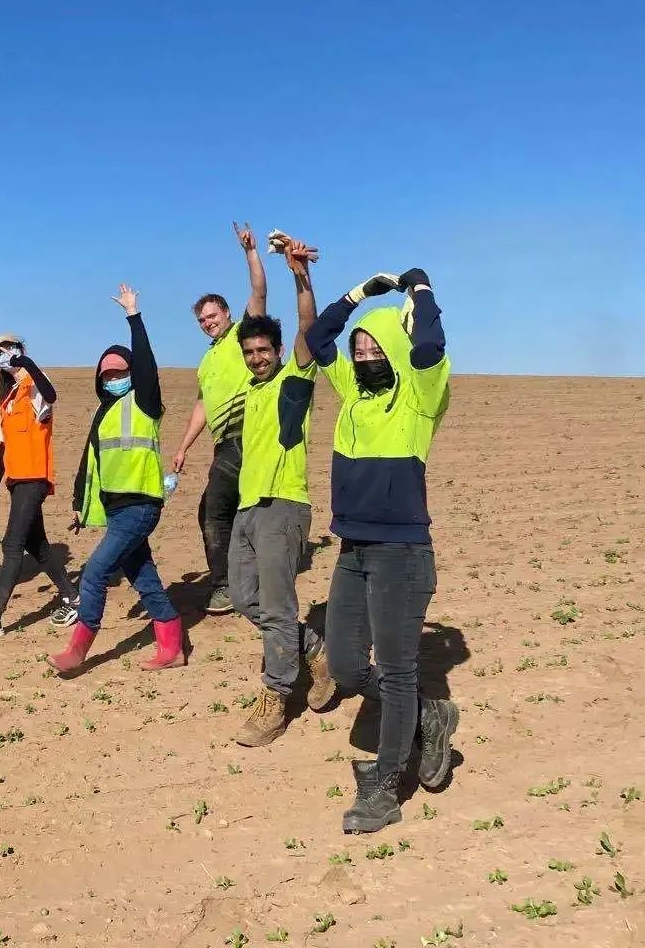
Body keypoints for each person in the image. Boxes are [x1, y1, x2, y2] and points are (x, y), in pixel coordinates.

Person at [305, 268, 457, 833]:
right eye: (359, 347)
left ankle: (387, 788)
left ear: (393, 349)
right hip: (353, 551)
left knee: (395, 673)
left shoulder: (419, 401)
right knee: (344, 665)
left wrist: (419, 290)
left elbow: (429, 346)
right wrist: (359, 296)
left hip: (401, 555)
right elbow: (319, 340)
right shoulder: (351, 395)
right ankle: (427, 714)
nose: (364, 353)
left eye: (374, 346)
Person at [228, 233, 335, 748]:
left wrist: (300, 277)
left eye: (262, 350)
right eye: (250, 352)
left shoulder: (295, 378)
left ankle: (275, 697)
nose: (256, 358)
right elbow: (250, 308)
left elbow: (307, 329)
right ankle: (313, 650)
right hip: (247, 509)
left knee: (274, 608)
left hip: (284, 505)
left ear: (276, 350)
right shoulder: (250, 388)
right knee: (245, 598)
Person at [49, 284, 183, 675]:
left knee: (94, 573)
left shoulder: (144, 402)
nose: (114, 378)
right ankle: (172, 645)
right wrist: (79, 505)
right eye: (107, 374)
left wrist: (133, 316)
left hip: (140, 505)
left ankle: (79, 649)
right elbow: (89, 464)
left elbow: (146, 365)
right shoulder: (103, 414)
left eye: (121, 372)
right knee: (144, 578)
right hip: (116, 508)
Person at [171, 222, 268, 613]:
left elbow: (259, 292)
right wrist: (182, 448)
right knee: (230, 511)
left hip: (250, 434)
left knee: (216, 512)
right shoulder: (208, 359)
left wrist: (250, 253)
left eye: (213, 315)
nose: (209, 322)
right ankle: (244, 576)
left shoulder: (243, 335)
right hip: (223, 441)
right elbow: (202, 406)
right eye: (203, 320)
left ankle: (228, 585)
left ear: (227, 313)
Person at [0, 335, 79, 638]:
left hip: (34, 478)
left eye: (11, 348)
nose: (6, 354)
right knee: (35, 544)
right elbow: (3, 450)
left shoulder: (34, 384)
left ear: (21, 351)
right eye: (0, 352)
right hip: (17, 480)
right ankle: (71, 597)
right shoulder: (9, 397)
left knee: (11, 545)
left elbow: (51, 395)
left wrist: (26, 363)